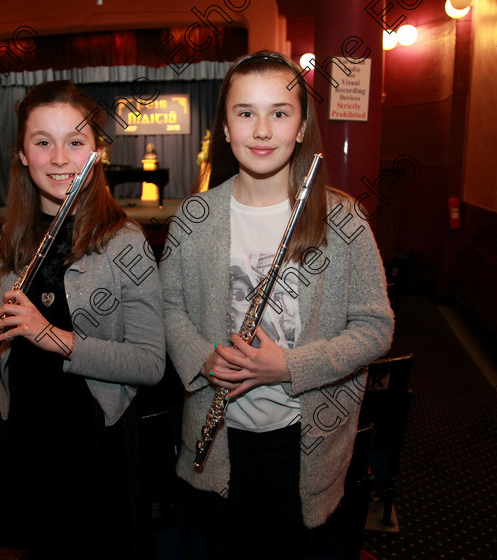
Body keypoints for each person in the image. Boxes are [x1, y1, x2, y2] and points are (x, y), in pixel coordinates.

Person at [160, 51, 395, 558]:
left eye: (279, 113)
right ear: (225, 127)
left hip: (303, 444)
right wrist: (203, 357)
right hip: (219, 437)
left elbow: (376, 327)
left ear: (302, 126)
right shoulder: (194, 216)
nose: (262, 129)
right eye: (245, 112)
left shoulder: (343, 218)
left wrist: (286, 366)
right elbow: (170, 308)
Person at [0, 80, 165, 559]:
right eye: (42, 142)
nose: (59, 158)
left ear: (97, 153)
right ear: (22, 155)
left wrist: (49, 335)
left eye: (75, 142)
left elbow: (150, 364)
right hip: (25, 434)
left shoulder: (124, 243)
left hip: (96, 440)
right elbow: (9, 337)